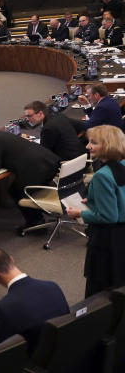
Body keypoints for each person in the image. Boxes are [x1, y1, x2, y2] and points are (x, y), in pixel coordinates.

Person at [65, 125, 125, 296]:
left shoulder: (102, 175)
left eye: (94, 142)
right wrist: (94, 200)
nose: (87, 146)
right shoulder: (122, 164)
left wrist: (80, 213)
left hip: (108, 239)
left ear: (107, 145)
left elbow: (108, 216)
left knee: (101, 288)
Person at [0, 124, 60, 230]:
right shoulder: (2, 134)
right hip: (49, 162)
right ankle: (42, 211)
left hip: (37, 169)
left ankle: (36, 223)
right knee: (27, 186)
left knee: (16, 190)